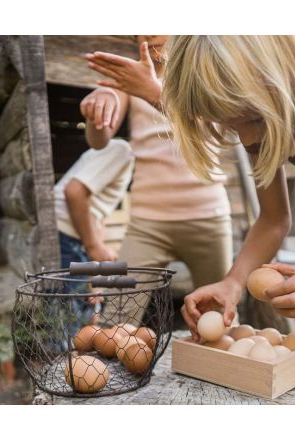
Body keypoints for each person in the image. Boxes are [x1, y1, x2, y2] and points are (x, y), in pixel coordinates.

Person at [162, 35, 295, 374]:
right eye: (231, 126)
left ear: (289, 75)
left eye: (253, 119)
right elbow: (273, 219)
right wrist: (233, 283)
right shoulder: (259, 114)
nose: (249, 140)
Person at [80, 35, 233, 323]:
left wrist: (152, 91)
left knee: (216, 319)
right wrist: (96, 112)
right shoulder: (131, 78)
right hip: (146, 224)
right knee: (116, 319)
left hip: (208, 219)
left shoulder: (206, 68)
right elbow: (99, 141)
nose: (149, 34)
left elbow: (209, 125)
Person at [54, 138, 134, 323]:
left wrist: (95, 277)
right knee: (70, 319)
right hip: (66, 235)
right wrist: (92, 244)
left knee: (86, 309)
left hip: (73, 236)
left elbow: (95, 214)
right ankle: (66, 351)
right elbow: (74, 192)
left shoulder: (116, 156)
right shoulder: (121, 150)